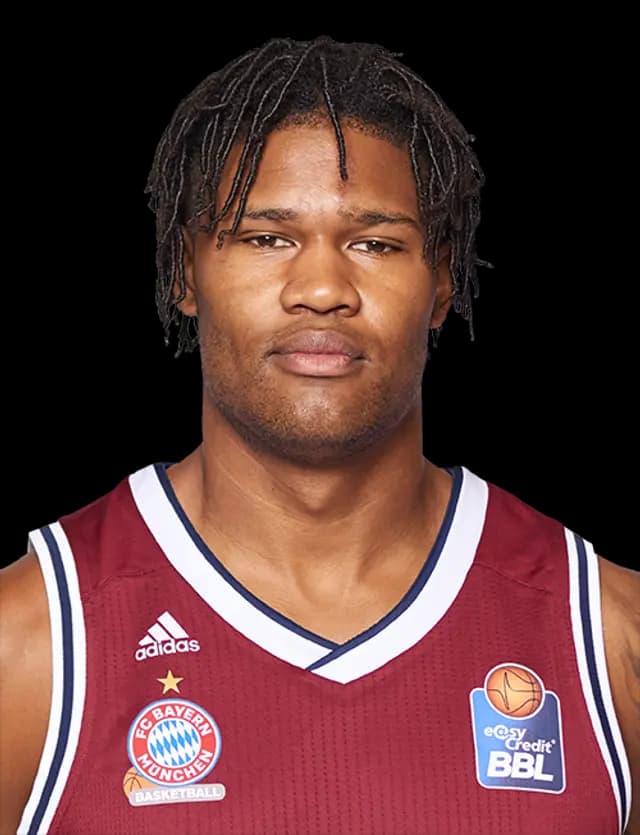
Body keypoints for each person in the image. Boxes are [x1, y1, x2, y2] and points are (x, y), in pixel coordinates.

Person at [1, 33, 637, 835]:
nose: (323, 288)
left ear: (442, 281)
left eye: (375, 243)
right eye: (266, 238)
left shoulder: (606, 632)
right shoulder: (33, 642)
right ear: (184, 271)